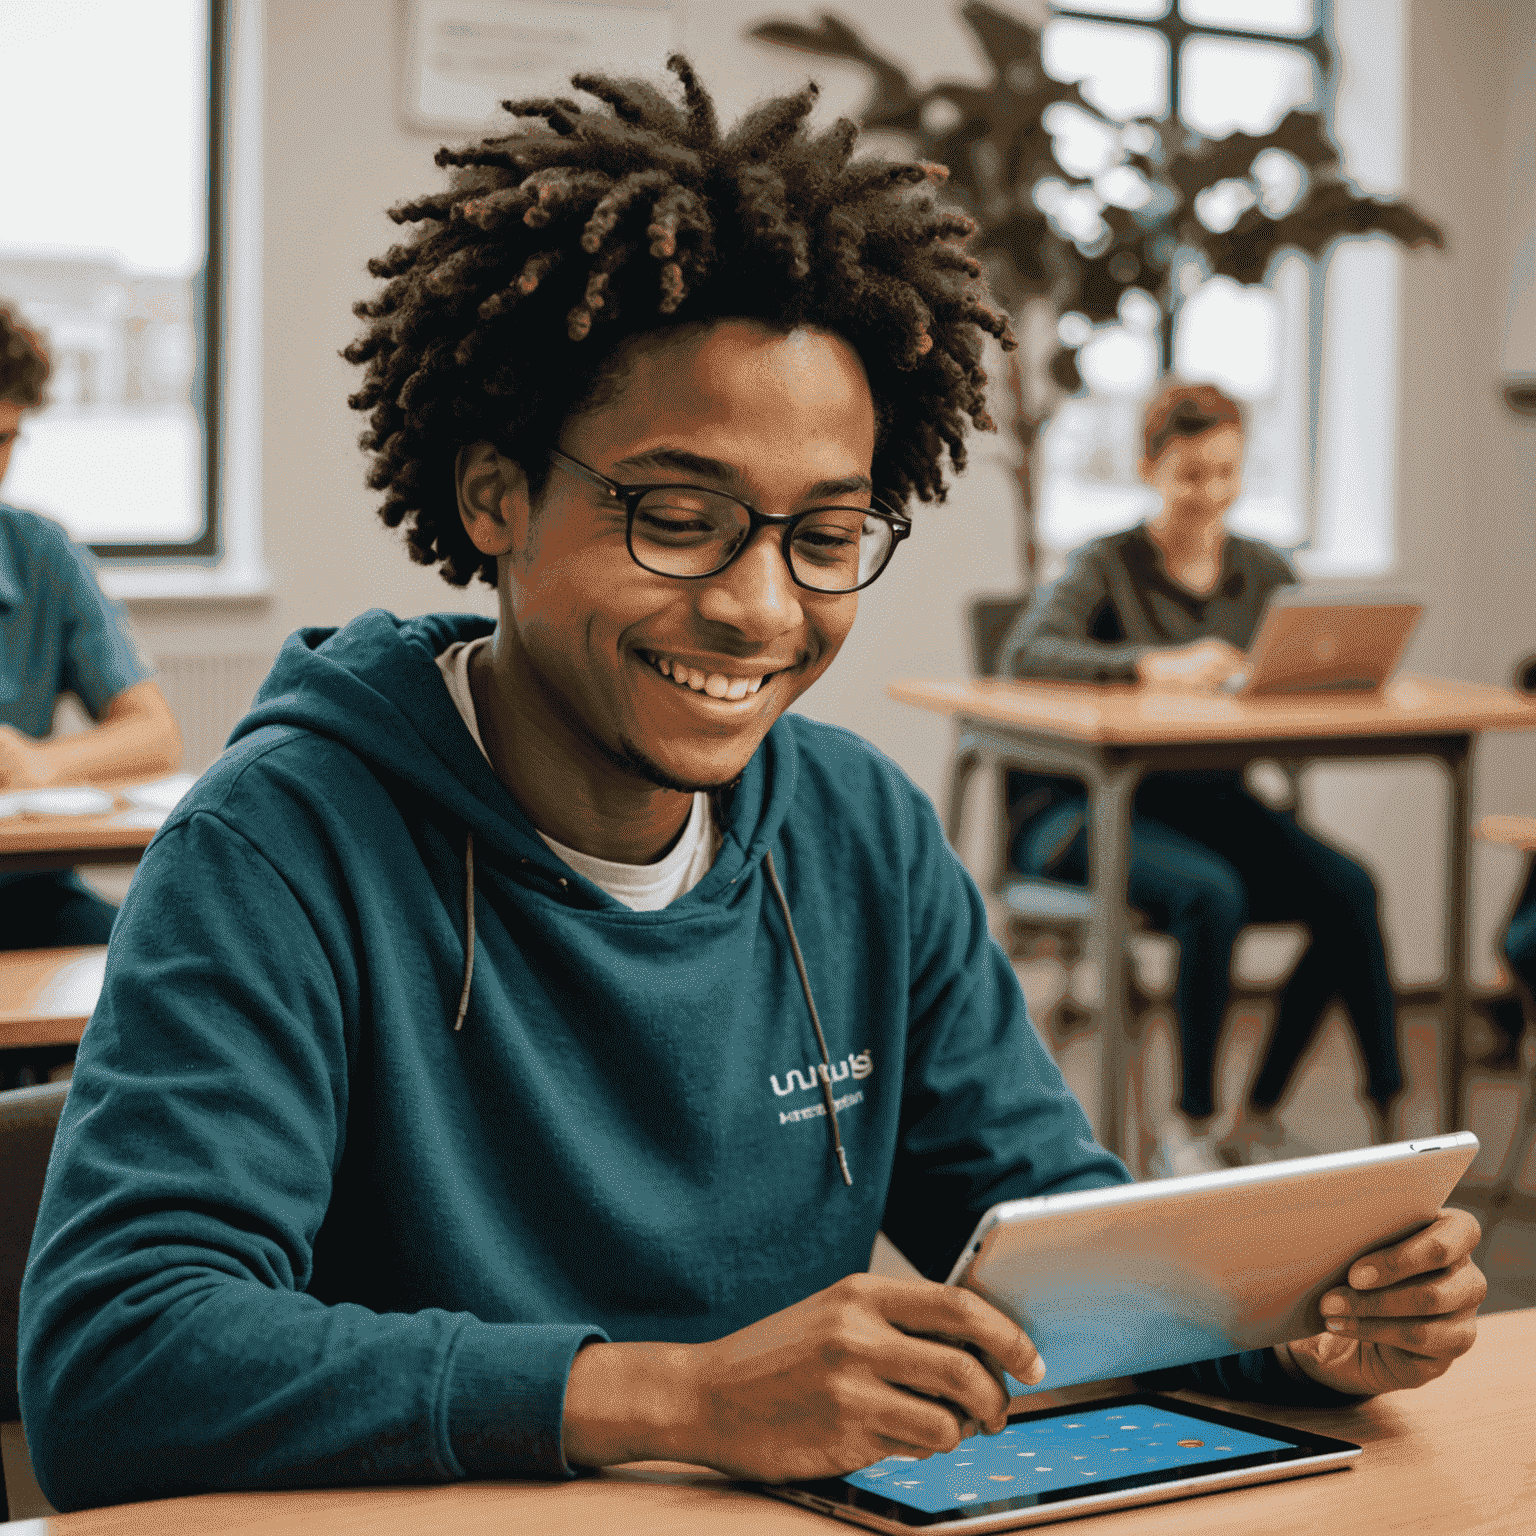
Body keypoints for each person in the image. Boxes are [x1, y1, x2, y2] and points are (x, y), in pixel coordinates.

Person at [19, 63, 1482, 1514]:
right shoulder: (276, 847)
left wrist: (1297, 1322)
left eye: (824, 535)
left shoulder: (857, 831)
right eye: (679, 518)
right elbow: (119, 1358)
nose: (759, 608)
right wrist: (682, 1395)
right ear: (495, 497)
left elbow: (1061, 1242)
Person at [999, 382, 1404, 1177]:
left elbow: (1296, 666)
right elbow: (1026, 655)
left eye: (1227, 472)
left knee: (1352, 891)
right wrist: (1151, 665)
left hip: (1214, 805)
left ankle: (1330, 1115)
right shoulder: (1105, 565)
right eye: (1191, 474)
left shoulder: (1262, 570)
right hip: (1086, 811)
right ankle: (1191, 1124)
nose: (1210, 493)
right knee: (1211, 894)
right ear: (1150, 469)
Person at [0, 304, 181, 969]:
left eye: (3, 440)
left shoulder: (40, 551)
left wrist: (35, 763)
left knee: (175, 968)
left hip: (25, 896)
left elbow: (154, 733)